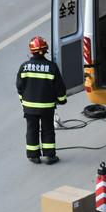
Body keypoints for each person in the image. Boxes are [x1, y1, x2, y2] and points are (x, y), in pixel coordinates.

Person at [16, 36, 67, 164]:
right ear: (46, 51)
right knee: (48, 129)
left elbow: (19, 87)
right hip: (46, 107)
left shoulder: (24, 67)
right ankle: (50, 156)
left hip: (29, 108)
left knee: (31, 130)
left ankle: (33, 156)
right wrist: (62, 100)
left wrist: (23, 102)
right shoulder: (51, 67)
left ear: (31, 51)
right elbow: (59, 87)